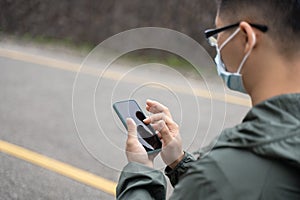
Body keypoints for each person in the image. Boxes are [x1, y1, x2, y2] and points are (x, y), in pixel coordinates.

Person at [116, 0, 300, 199]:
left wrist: (140, 170)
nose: (217, 47)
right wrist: (179, 162)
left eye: (217, 36)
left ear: (246, 38)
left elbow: (223, 184)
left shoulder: (223, 170)